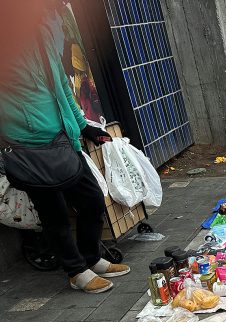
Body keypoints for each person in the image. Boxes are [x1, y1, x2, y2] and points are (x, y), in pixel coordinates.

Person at [0, 0, 130, 294]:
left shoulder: (42, 33)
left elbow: (61, 85)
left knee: (93, 200)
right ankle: (76, 271)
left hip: (64, 139)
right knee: (54, 214)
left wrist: (83, 126)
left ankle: (91, 257)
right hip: (29, 145)